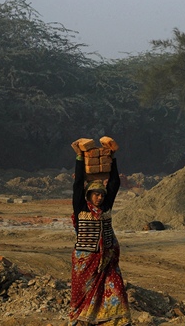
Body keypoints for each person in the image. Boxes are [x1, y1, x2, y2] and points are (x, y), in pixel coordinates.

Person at [69, 138, 131, 326]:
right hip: (85, 260)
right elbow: (78, 183)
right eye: (96, 194)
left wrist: (112, 158)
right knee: (82, 294)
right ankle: (82, 321)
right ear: (88, 195)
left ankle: (116, 321)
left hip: (107, 260)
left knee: (116, 288)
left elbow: (115, 183)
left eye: (102, 195)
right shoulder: (81, 208)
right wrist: (80, 157)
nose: (100, 197)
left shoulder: (105, 208)